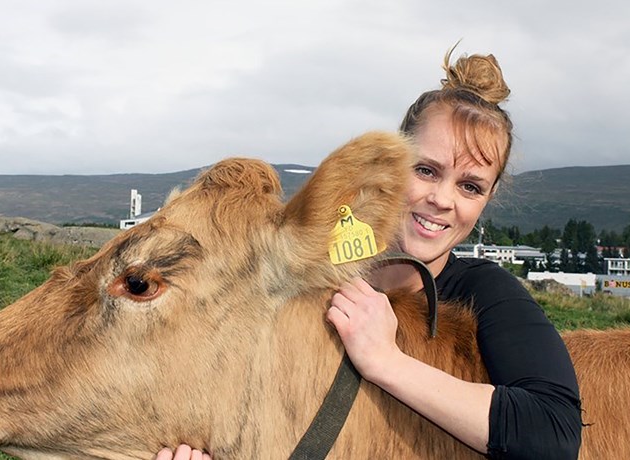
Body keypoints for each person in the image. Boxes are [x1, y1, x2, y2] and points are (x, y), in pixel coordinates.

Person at [157, 48, 582, 460]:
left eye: (470, 186)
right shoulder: (312, 273)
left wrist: (385, 360)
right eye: (426, 170)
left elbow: (553, 432)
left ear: (486, 200)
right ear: (391, 169)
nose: (441, 199)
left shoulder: (484, 292)